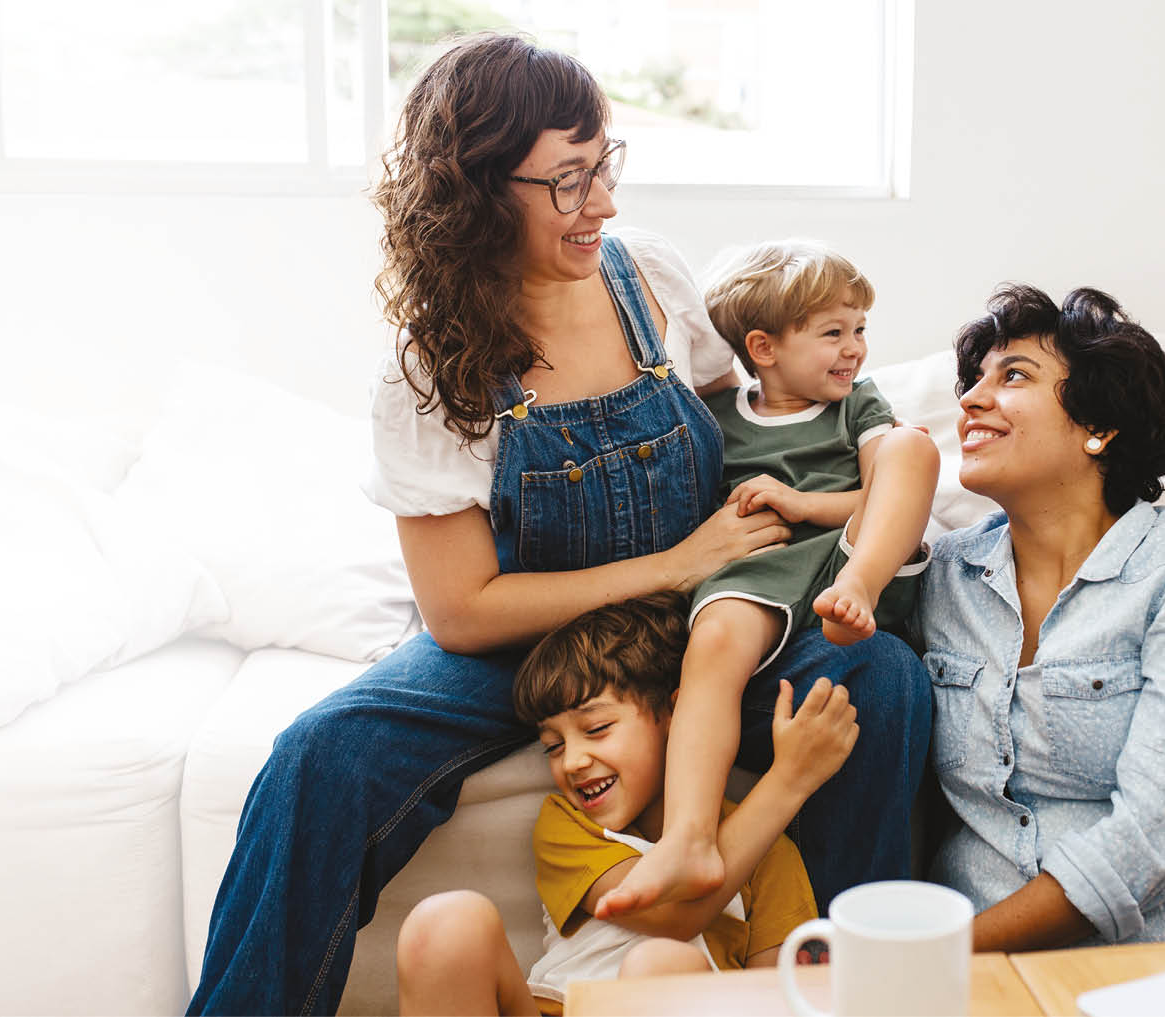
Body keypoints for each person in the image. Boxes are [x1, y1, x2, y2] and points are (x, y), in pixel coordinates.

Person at [186, 34, 931, 1016]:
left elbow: (746, 430)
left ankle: (865, 992)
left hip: (706, 611)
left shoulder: (651, 282)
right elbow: (459, 610)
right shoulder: (430, 373)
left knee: (878, 681)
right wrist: (667, 565)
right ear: (480, 191)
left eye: (603, 167)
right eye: (568, 182)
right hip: (532, 637)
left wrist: (826, 508)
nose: (603, 205)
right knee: (318, 757)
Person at [604, 241, 939, 913]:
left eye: (860, 330)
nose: (855, 350)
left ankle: (861, 594)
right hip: (762, 568)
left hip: (850, 556)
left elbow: (887, 490)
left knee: (912, 444)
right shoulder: (720, 420)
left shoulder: (858, 407)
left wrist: (807, 505)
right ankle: (690, 836)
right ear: (763, 347)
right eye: (833, 333)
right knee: (716, 639)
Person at [919, 283, 1165, 950]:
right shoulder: (944, 576)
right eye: (975, 379)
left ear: (1099, 426)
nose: (970, 400)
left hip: (1141, 963)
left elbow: (1159, 828)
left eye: (1013, 374)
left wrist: (936, 953)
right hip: (969, 974)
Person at [395, 593, 849, 1016]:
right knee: (445, 925)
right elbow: (670, 914)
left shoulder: (767, 853)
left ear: (675, 715)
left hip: (675, 999)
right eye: (552, 746)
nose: (572, 761)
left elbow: (778, 995)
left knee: (659, 967)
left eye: (596, 729)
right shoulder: (569, 825)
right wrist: (788, 781)